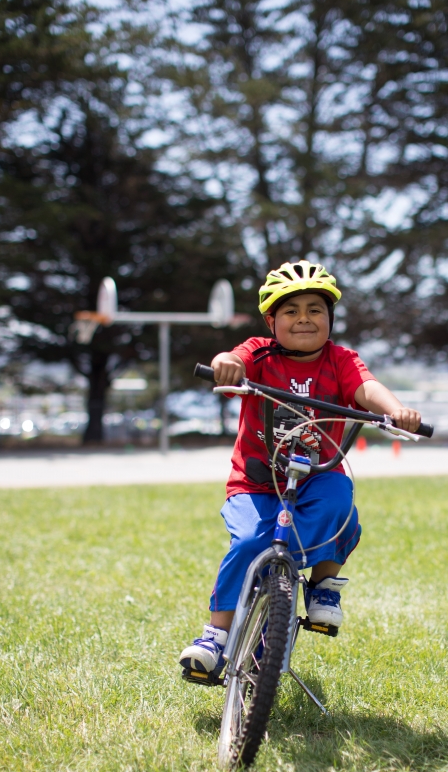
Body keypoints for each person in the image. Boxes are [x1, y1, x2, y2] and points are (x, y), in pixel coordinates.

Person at [179, 260, 421, 679]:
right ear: (272, 321)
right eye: (291, 311)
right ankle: (215, 637)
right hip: (255, 480)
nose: (304, 318)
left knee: (340, 505)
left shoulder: (340, 359)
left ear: (330, 319)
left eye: (315, 310)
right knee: (251, 541)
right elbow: (233, 357)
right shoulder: (259, 352)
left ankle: (324, 586)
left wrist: (394, 410)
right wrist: (226, 363)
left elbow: (366, 387)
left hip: (317, 474)